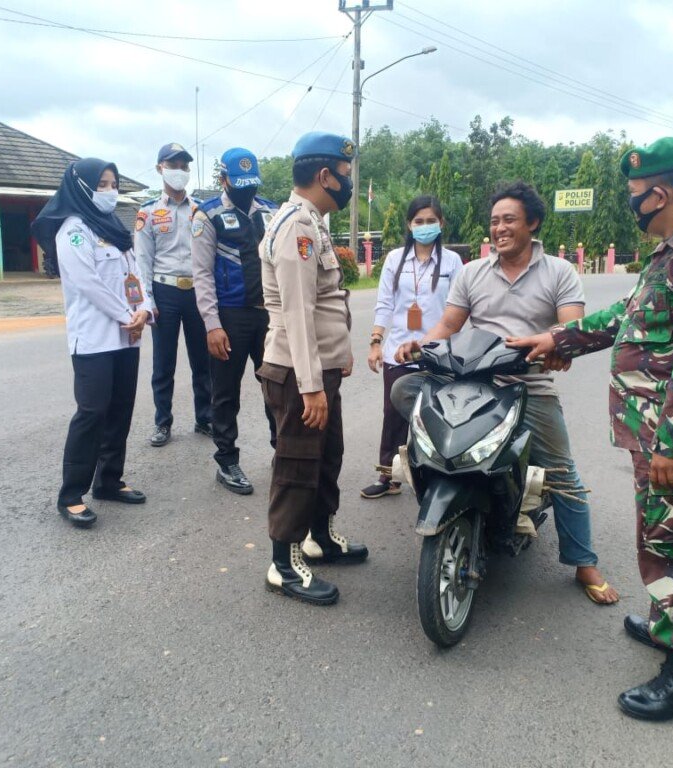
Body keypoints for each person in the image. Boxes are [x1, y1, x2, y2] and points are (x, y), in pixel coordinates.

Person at [506, 138, 673, 721]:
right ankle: (669, 623)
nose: (632, 203)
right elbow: (628, 319)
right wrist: (558, 340)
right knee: (660, 535)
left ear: (658, 194)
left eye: (635, 194)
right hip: (656, 430)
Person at [393, 181, 619, 606]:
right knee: (406, 389)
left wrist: (554, 345)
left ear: (532, 223)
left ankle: (583, 561)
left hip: (528, 385)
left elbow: (570, 326)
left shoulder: (559, 272)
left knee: (562, 472)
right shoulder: (473, 272)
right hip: (470, 382)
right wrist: (421, 344)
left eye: (509, 219)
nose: (499, 228)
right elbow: (449, 326)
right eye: (495, 221)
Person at [257, 131, 368, 606]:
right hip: (298, 374)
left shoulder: (314, 223)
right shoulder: (296, 227)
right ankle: (283, 565)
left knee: (327, 457)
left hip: (319, 370)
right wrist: (310, 386)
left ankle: (318, 537)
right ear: (324, 176)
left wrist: (338, 358)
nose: (349, 183)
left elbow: (328, 301)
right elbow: (298, 312)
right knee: (297, 464)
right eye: (345, 175)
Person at [31, 158, 153, 529]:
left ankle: (109, 481)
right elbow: (87, 283)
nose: (110, 191)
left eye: (113, 184)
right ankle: (71, 494)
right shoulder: (73, 231)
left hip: (126, 337)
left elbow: (135, 274)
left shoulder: (113, 227)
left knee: (120, 410)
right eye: (101, 184)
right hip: (94, 339)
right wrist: (128, 315)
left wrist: (145, 309)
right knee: (91, 413)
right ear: (82, 188)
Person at [363, 195, 463, 499]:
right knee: (393, 415)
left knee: (436, 417)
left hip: (438, 353)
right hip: (399, 352)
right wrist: (376, 342)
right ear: (409, 224)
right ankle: (389, 476)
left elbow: (458, 309)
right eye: (419, 221)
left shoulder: (452, 262)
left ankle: (435, 476)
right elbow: (385, 304)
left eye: (431, 220)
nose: (425, 226)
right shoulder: (395, 260)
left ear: (441, 223)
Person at [192, 148, 279, 495]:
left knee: (276, 387)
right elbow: (201, 274)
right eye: (240, 184)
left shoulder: (271, 211)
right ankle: (227, 461)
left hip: (269, 315)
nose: (247, 191)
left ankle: (282, 451)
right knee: (226, 393)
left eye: (251, 184)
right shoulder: (208, 215)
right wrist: (212, 325)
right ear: (224, 179)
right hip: (229, 316)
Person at [135, 142, 212, 447]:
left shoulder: (201, 210)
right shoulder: (149, 212)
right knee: (163, 363)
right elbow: (142, 261)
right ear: (160, 168)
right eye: (173, 165)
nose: (179, 171)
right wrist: (148, 301)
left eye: (184, 166)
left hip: (196, 290)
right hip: (164, 291)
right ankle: (162, 422)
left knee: (202, 361)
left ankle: (205, 418)